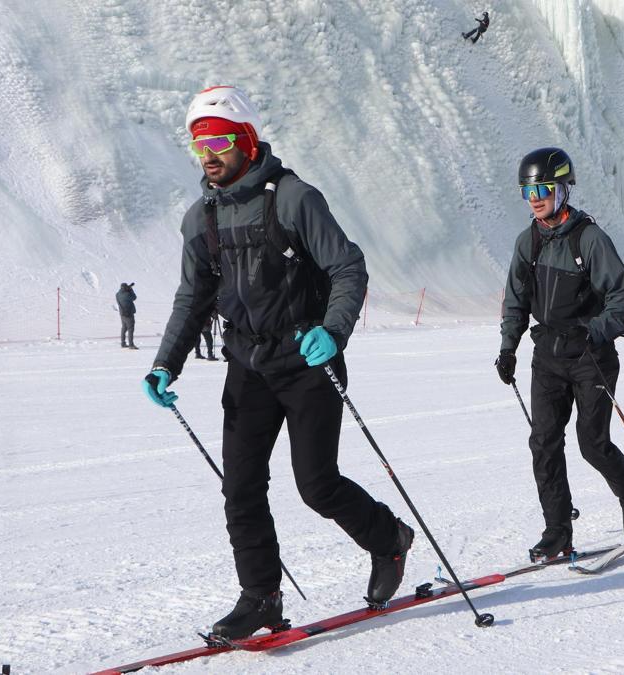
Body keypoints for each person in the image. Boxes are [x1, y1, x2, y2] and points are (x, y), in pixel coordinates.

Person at [141, 86, 412, 640]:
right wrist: (166, 363)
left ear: (244, 139)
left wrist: (332, 332)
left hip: (307, 360)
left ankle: (389, 539)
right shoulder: (202, 218)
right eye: (198, 145)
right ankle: (260, 596)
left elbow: (348, 268)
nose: (208, 154)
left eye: (217, 140)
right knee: (240, 486)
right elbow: (193, 297)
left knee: (317, 485)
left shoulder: (294, 199)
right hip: (248, 364)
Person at [496, 147, 624, 559]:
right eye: (528, 190)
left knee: (592, 443)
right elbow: (515, 300)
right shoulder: (528, 241)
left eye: (542, 188)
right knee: (543, 443)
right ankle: (557, 530)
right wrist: (508, 347)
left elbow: (622, 295)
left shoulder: (589, 239)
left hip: (589, 356)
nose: (535, 197)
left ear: (562, 189)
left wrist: (594, 332)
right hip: (547, 356)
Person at [116, 282, 138, 349]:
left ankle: (123, 343)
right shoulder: (127, 294)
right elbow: (134, 297)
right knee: (130, 329)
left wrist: (128, 289)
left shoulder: (117, 294)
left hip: (122, 314)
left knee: (124, 328)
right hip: (128, 314)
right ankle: (131, 345)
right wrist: (131, 290)